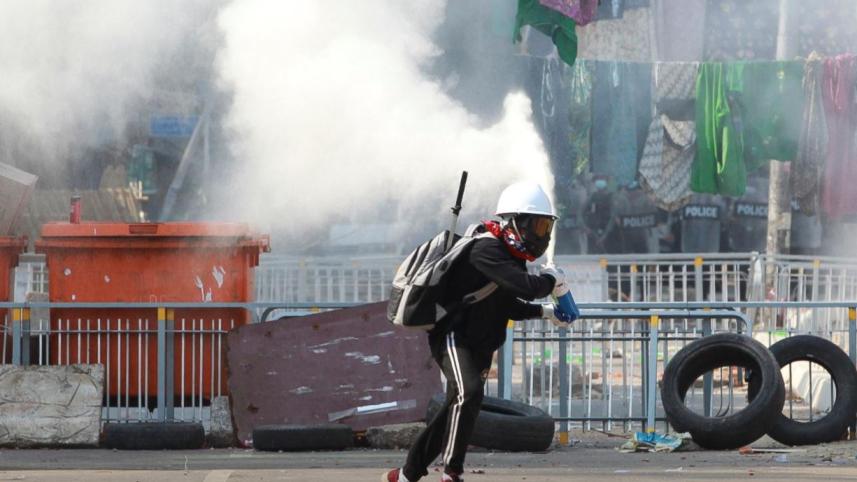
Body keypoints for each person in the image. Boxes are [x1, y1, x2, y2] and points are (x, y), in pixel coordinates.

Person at [383, 182, 576, 482]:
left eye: (545, 226)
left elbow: (507, 303)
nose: (542, 235)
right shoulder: (486, 250)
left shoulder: (512, 259)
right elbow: (525, 288)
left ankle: (407, 474)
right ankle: (452, 472)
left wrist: (545, 312)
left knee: (455, 408)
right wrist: (552, 281)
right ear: (514, 222)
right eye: (536, 225)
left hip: (483, 342)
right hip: (454, 335)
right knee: (469, 393)